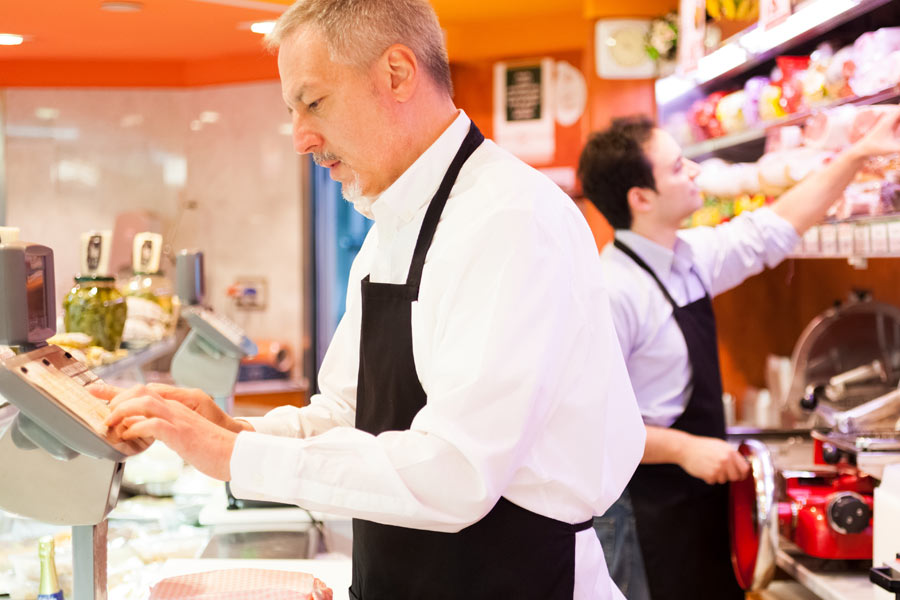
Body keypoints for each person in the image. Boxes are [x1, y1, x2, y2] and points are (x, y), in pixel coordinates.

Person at [95, 1, 646, 598]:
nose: (301, 138)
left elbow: (459, 472)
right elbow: (347, 413)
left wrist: (235, 458)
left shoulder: (509, 219)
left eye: (314, 103)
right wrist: (239, 432)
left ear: (398, 74)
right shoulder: (390, 227)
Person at [577, 108, 900, 600]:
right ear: (640, 197)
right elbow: (590, 425)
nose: (695, 173)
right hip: (641, 510)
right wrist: (684, 448)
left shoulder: (686, 257)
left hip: (700, 498)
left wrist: (856, 155)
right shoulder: (611, 290)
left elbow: (774, 228)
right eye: (678, 167)